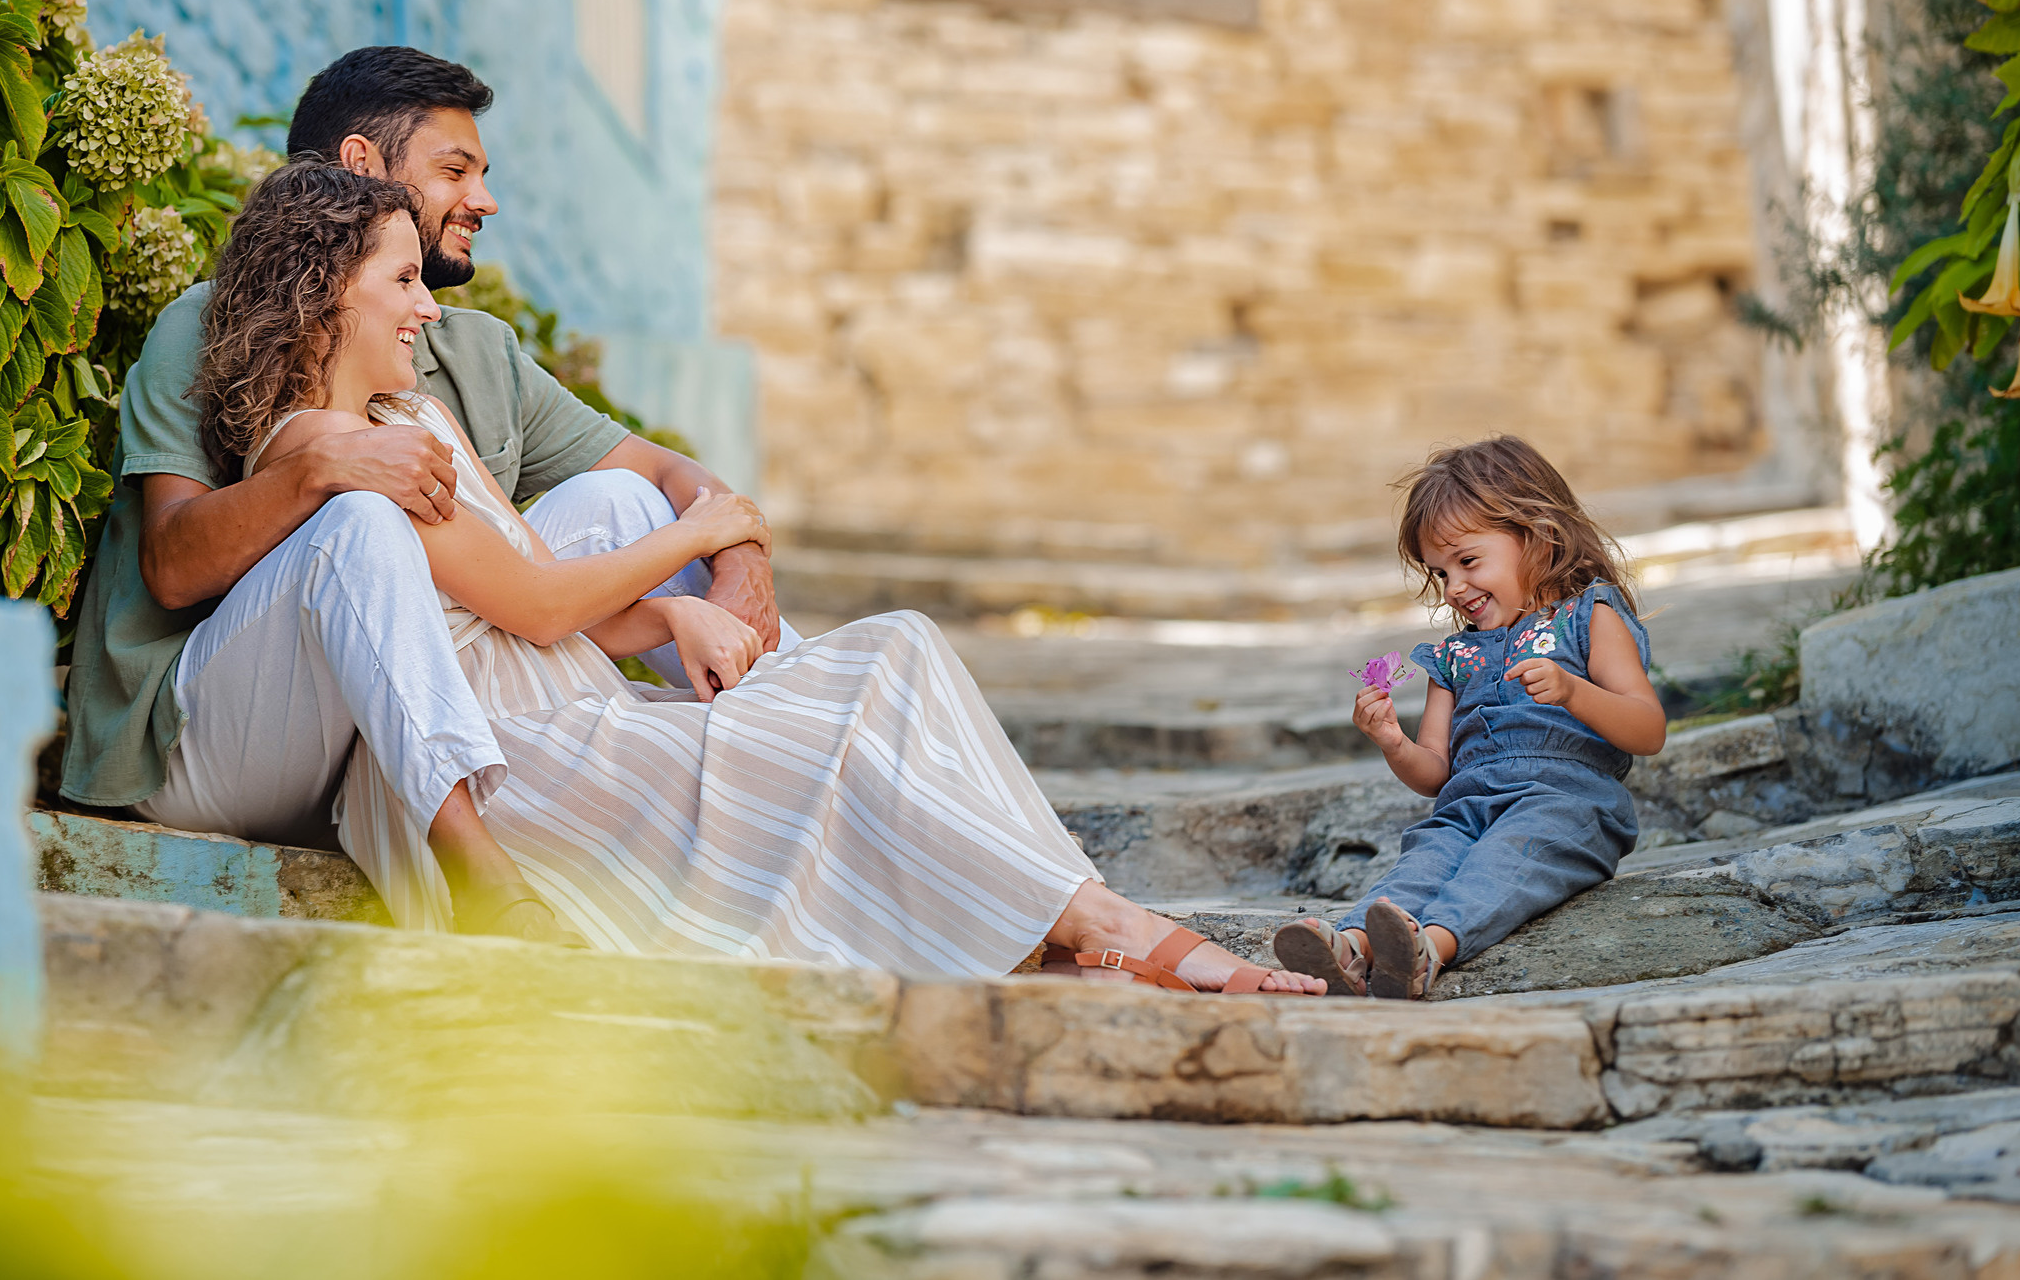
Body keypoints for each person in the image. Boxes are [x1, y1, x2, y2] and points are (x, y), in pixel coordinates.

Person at [183, 157, 1324, 992]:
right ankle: (1113, 930)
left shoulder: (415, 411)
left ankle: (1080, 916)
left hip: (565, 698)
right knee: (829, 731)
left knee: (899, 646)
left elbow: (530, 577)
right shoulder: (316, 453)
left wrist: (671, 605)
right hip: (507, 758)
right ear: (330, 291)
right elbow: (533, 605)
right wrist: (702, 530)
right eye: (401, 280)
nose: (429, 305)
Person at [65, 48, 790, 940]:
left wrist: (734, 559)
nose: (484, 200)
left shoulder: (461, 359)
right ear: (363, 169)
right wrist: (322, 470)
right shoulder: (212, 325)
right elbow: (173, 568)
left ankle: (767, 742)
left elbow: (647, 497)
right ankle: (491, 880)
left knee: (625, 506)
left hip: (383, 729)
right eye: (457, 171)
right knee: (366, 522)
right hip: (219, 729)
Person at [1270, 437, 1665, 999]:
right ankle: (1353, 948)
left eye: (1468, 561)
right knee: (1422, 863)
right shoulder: (1456, 657)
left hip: (1566, 804)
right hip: (1467, 806)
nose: (1454, 588)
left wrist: (1575, 693)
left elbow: (1648, 729)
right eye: (1440, 573)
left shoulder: (1589, 618)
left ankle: (1428, 950)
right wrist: (1392, 742)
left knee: (1501, 866)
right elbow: (1435, 772)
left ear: (1539, 535)